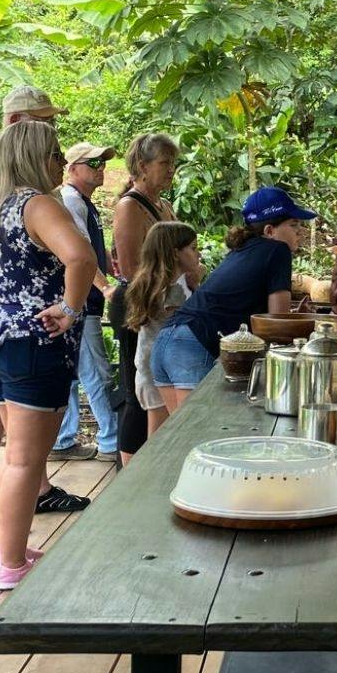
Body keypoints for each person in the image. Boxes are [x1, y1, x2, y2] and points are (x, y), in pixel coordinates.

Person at [0, 118, 97, 590]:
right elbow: (82, 257)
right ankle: (11, 563)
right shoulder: (38, 205)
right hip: (34, 346)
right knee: (24, 462)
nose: (60, 162)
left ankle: (5, 549)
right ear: (37, 158)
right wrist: (71, 309)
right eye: (55, 154)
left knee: (18, 456)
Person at [150, 187, 315, 402]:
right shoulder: (277, 250)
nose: (300, 231)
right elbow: (278, 325)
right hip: (192, 345)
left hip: (166, 341)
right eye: (293, 225)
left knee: (175, 434)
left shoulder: (242, 250)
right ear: (269, 231)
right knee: (198, 434)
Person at [110, 133, 204, 465]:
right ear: (141, 166)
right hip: (143, 300)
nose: (171, 170)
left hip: (167, 298)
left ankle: (153, 459)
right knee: (140, 386)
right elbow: (135, 268)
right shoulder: (129, 206)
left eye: (173, 164)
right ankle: (130, 466)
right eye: (164, 163)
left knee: (159, 386)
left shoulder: (164, 205)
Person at [50, 142, 120, 463]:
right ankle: (112, 440)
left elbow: (92, 247)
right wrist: (105, 288)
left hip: (76, 301)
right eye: (93, 163)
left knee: (74, 371)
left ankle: (64, 438)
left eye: (102, 163)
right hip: (81, 303)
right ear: (72, 168)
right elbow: (78, 253)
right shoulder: (71, 202)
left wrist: (110, 264)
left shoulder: (83, 203)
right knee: (97, 371)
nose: (100, 168)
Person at [125, 221, 200, 430]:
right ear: (175, 253)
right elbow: (185, 324)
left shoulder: (176, 283)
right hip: (158, 372)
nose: (198, 254)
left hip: (160, 368)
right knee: (160, 435)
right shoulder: (169, 291)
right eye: (193, 249)